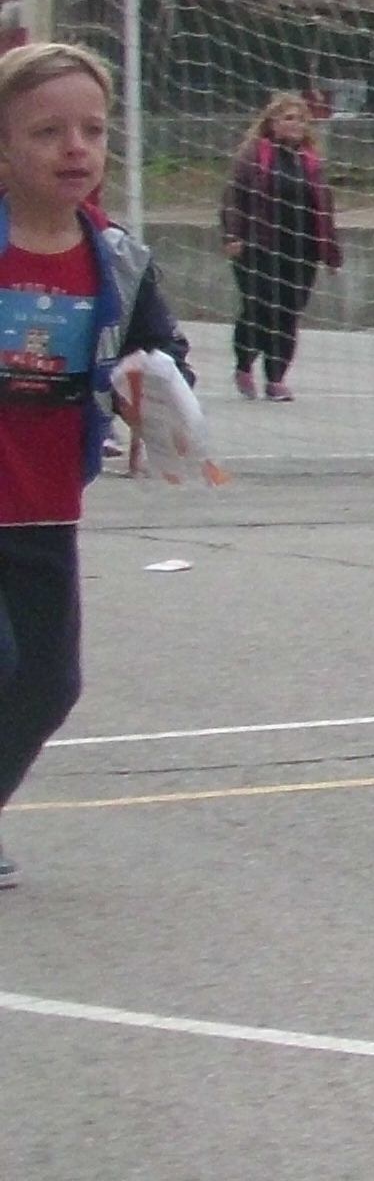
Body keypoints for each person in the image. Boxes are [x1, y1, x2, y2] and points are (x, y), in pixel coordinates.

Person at [0, 44, 189, 885]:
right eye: (47, 132)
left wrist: (159, 399)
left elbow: (159, 352)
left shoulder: (117, 259)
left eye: (93, 130)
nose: (75, 148)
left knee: (49, 683)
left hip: (44, 507)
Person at [221, 92, 338, 402]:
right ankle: (244, 364)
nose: (296, 124)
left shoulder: (310, 162)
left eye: (301, 119)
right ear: (272, 123)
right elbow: (233, 197)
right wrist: (232, 236)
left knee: (288, 313)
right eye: (289, 118)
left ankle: (276, 379)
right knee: (259, 308)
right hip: (258, 247)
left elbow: (325, 208)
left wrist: (331, 253)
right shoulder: (254, 156)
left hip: (300, 251)